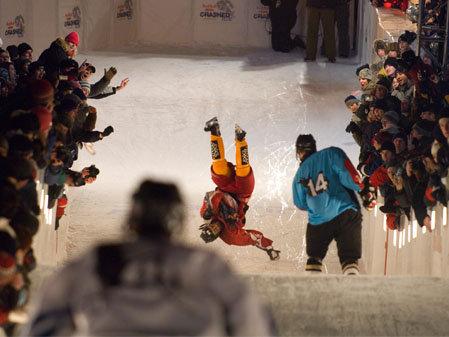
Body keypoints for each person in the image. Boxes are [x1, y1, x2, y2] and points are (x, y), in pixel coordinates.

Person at [22, 179, 276, 336]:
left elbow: (46, 321)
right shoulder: (203, 264)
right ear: (177, 222)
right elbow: (250, 320)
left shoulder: (99, 260)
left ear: (132, 219)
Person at [292, 134, 375, 274]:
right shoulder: (331, 153)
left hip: (318, 222)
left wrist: (318, 204)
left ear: (299, 152)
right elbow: (348, 175)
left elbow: (300, 204)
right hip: (346, 213)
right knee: (349, 260)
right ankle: (351, 274)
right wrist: (363, 189)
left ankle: (312, 283)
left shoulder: (299, 175)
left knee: (314, 258)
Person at [200, 117, 280, 260]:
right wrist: (269, 248)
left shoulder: (207, 214)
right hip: (242, 194)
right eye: (215, 231)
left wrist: (210, 209)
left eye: (211, 228)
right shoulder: (232, 236)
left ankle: (214, 130)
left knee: (218, 167)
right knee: (243, 171)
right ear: (218, 235)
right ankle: (241, 139)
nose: (215, 227)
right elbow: (252, 238)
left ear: (207, 226)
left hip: (224, 187)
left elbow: (213, 195)